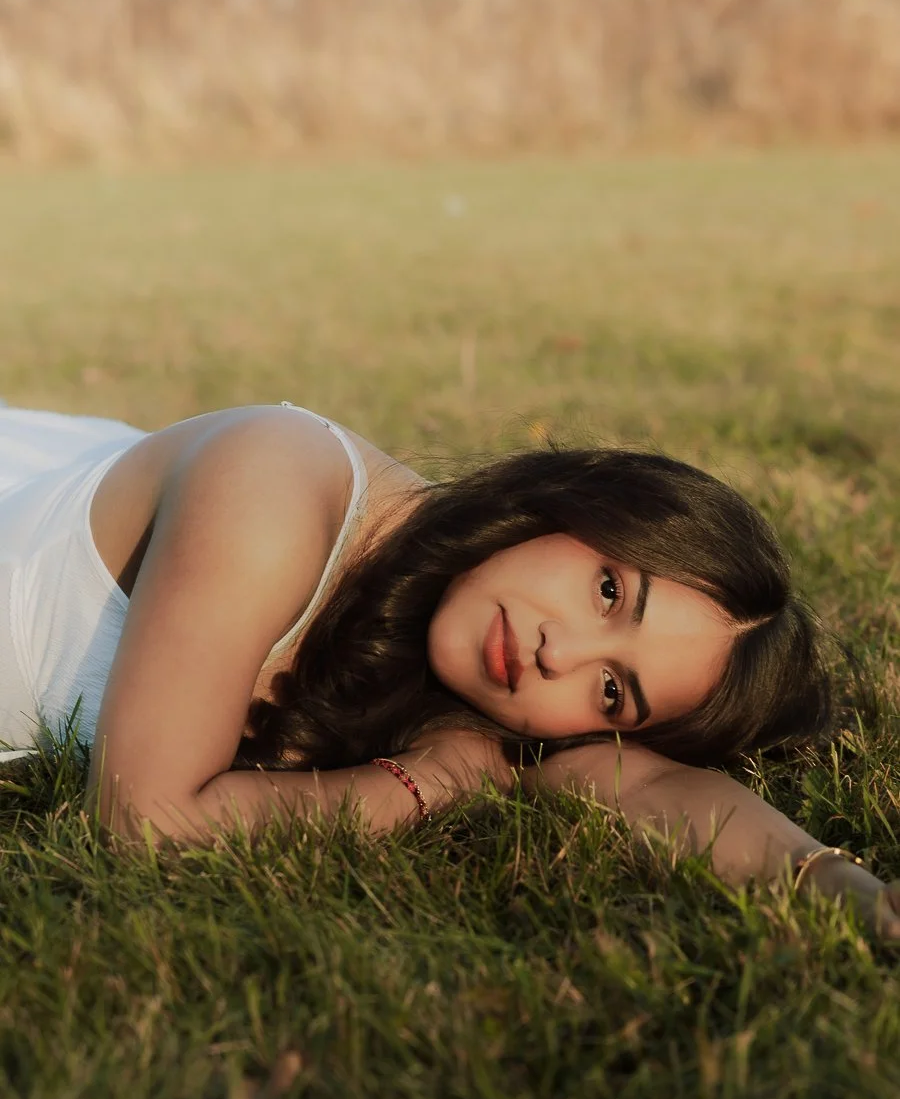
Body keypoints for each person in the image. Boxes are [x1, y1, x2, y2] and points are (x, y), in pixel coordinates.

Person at [0, 400, 897, 936]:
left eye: (613, 690)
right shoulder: (271, 492)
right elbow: (143, 824)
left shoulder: (480, 680)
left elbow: (652, 788)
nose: (559, 652)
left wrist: (834, 883)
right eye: (610, 591)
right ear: (575, 506)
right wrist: (419, 786)